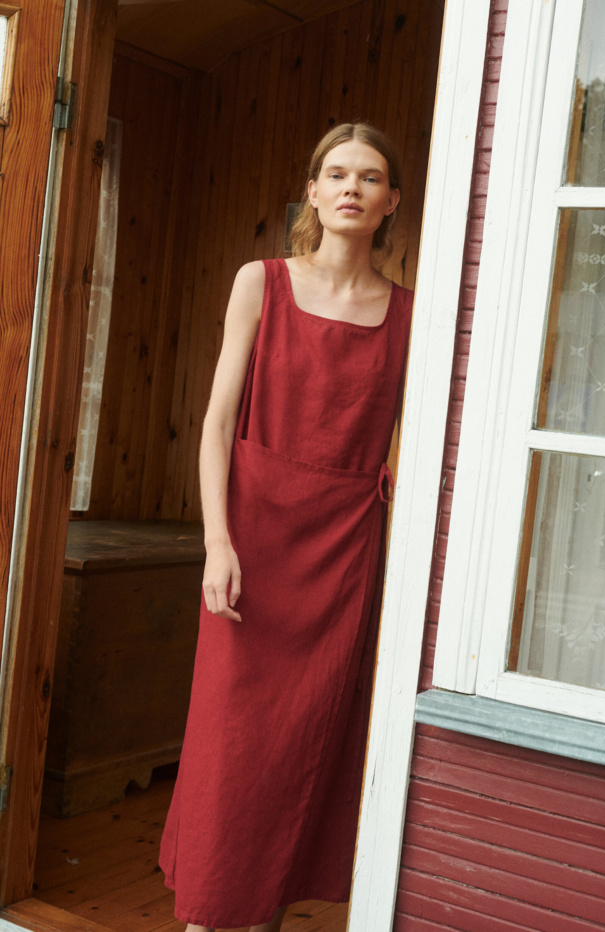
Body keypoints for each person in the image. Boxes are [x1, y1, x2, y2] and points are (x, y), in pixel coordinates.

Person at [158, 122, 413, 932]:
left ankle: (260, 914)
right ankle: (207, 915)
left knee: (304, 753)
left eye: (369, 178)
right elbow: (216, 424)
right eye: (335, 174)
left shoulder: (412, 316)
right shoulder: (259, 282)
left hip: (342, 559)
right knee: (234, 752)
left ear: (390, 203)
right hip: (252, 551)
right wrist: (217, 543)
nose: (350, 187)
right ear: (311, 192)